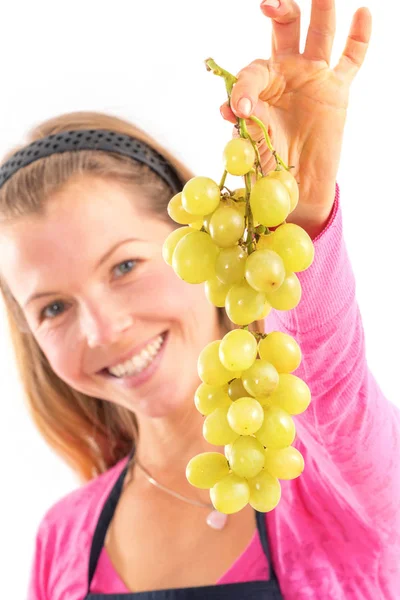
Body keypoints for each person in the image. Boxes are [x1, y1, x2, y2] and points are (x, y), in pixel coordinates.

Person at [0, 0, 398, 598]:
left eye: (124, 266)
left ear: (207, 240)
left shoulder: (337, 480)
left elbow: (331, 382)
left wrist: (301, 220)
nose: (103, 329)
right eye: (53, 307)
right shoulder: (61, 539)